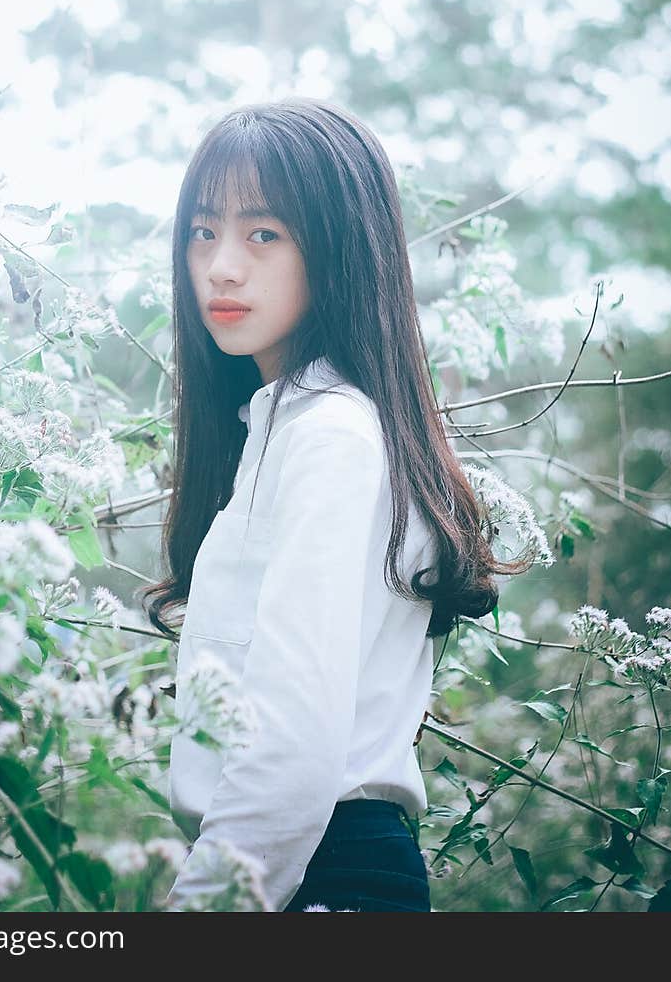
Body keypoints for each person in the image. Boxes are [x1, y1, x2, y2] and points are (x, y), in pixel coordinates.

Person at [139, 97, 531, 912]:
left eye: (264, 234)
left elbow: (289, 742)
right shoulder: (288, 428)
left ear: (339, 248)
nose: (221, 265)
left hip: (316, 874)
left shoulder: (331, 438)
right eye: (203, 230)